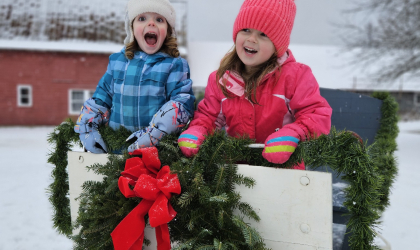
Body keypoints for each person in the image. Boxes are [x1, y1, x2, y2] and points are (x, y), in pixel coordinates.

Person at [177, 0, 332, 168]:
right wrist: (198, 131)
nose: (252, 39)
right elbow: (209, 116)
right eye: (246, 30)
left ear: (277, 45)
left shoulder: (295, 76)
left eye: (263, 34)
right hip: (236, 174)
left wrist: (294, 133)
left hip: (285, 174)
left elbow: (316, 114)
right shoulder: (221, 79)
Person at [74, 0, 195, 153]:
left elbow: (182, 102)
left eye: (159, 19)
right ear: (131, 28)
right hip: (117, 150)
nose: (151, 23)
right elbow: (101, 97)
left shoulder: (174, 65)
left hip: (157, 153)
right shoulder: (117, 62)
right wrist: (87, 126)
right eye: (142, 18)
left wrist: (154, 134)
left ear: (168, 31)